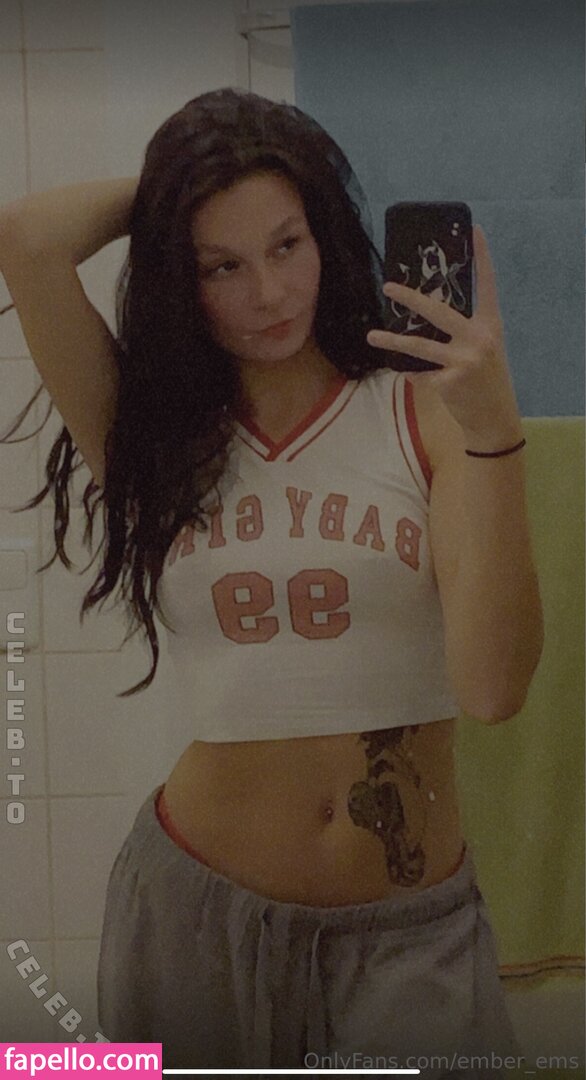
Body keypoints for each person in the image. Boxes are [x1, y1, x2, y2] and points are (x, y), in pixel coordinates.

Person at [0, 88, 543, 1076]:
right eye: (223, 264)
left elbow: (493, 689)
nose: (268, 292)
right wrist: (181, 189)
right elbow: (27, 238)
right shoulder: (149, 434)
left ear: (325, 233)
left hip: (407, 932)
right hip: (194, 918)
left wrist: (494, 431)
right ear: (179, 275)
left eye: (288, 244)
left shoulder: (422, 407)